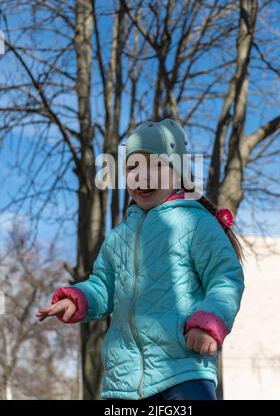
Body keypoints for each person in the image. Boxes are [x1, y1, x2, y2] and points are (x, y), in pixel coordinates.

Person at [36, 118, 245, 400]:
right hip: (123, 380)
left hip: (182, 371)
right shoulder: (119, 237)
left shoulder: (195, 223)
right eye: (133, 168)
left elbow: (225, 277)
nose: (141, 177)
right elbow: (104, 286)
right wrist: (77, 299)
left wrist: (207, 321)